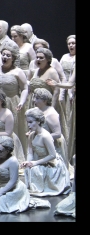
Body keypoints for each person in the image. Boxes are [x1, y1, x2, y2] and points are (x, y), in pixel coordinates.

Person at [0, 136, 49, 213]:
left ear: (7, 151)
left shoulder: (13, 161)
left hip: (13, 188)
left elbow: (13, 181)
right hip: (0, 186)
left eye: (0, 150)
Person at [22, 108, 70, 196]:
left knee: (36, 170)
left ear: (38, 121)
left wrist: (36, 162)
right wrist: (28, 162)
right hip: (40, 161)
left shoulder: (45, 136)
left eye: (31, 122)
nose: (28, 125)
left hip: (51, 163)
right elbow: (30, 152)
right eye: (27, 122)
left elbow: (53, 155)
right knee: (29, 168)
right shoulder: (31, 135)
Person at [48, 34, 75, 165]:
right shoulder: (64, 57)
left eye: (73, 43)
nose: (71, 45)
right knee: (70, 123)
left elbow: (70, 83)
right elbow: (68, 81)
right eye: (69, 43)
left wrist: (57, 84)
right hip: (68, 90)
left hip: (70, 89)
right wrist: (62, 91)